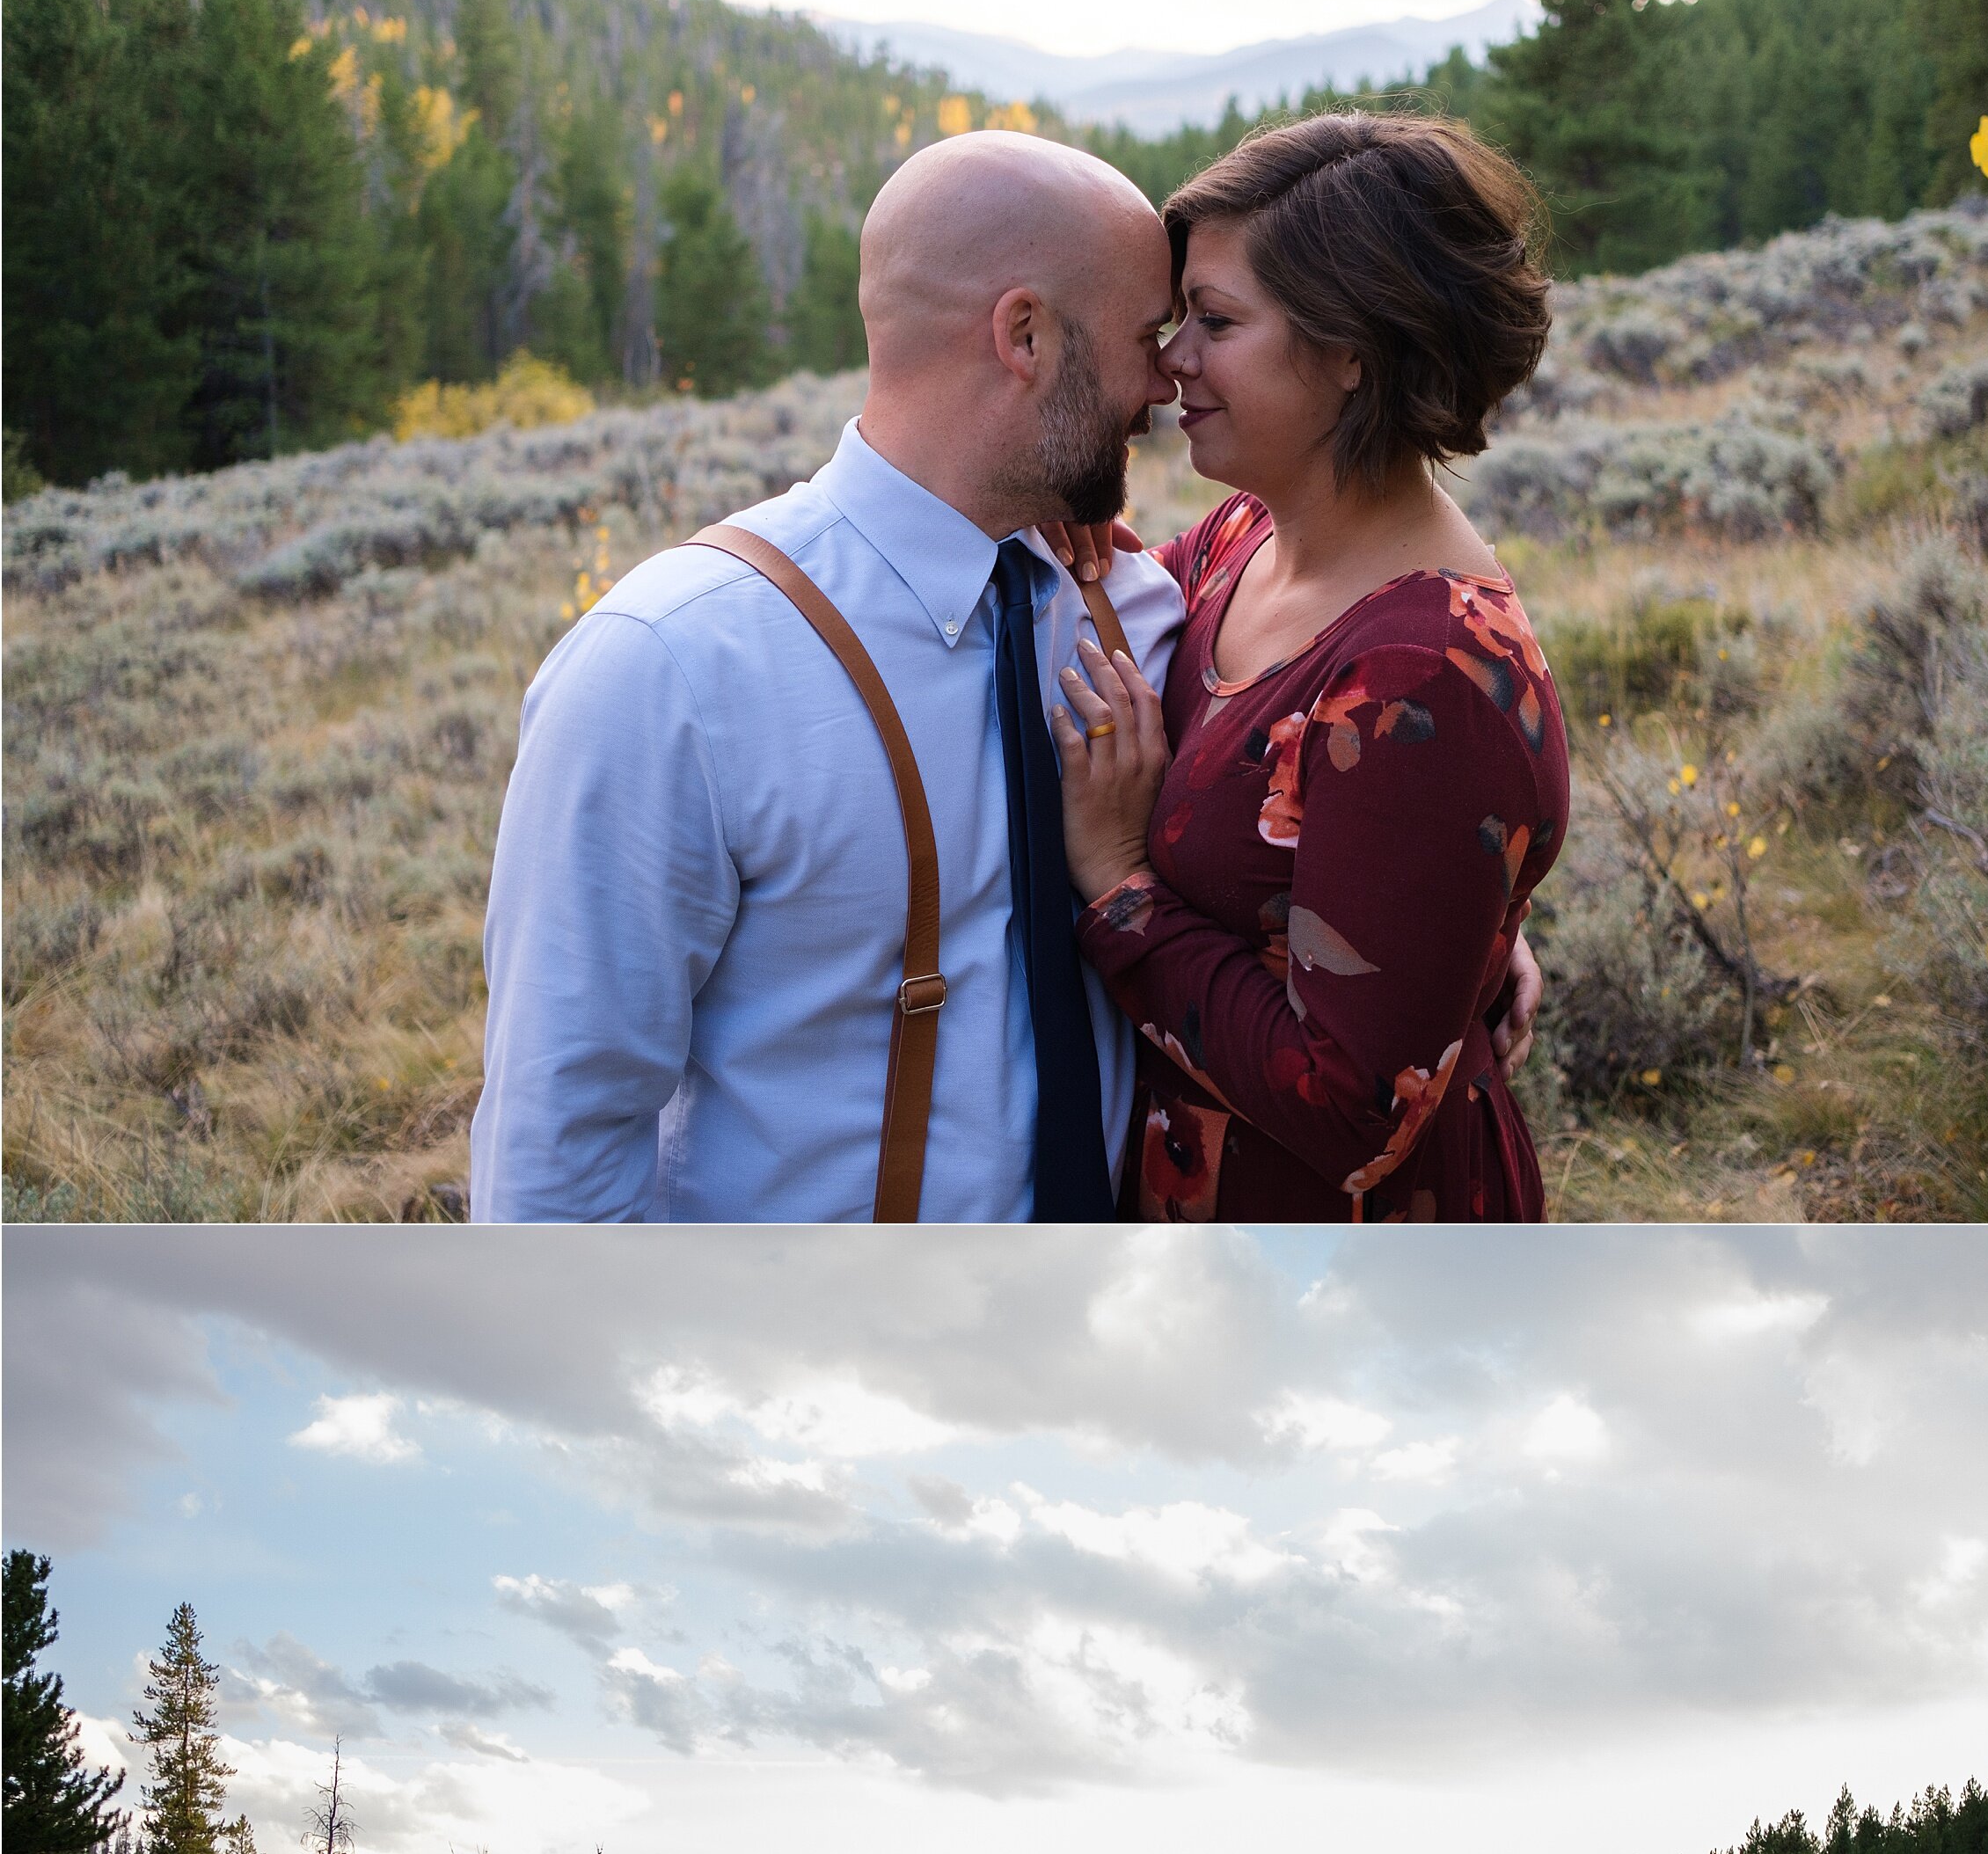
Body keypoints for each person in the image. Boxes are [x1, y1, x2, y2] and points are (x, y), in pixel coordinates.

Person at [474, 124, 1546, 1221]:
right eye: (1151, 332)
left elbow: (1385, 775)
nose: (1167, 374)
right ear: (1024, 336)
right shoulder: (673, 671)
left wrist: (1457, 935)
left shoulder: (1132, 604)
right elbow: (555, 1158)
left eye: (1203, 324)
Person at [1053, 112, 1569, 1222]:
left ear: (1349, 351)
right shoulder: (1246, 540)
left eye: (1215, 321)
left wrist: (1120, 885)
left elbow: (1353, 1110)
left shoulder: (1424, 679)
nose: (1170, 358)